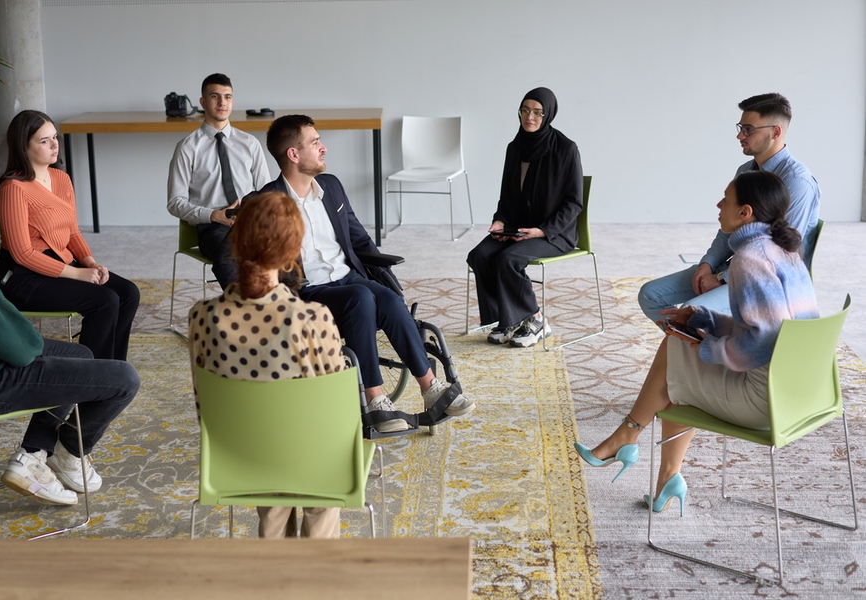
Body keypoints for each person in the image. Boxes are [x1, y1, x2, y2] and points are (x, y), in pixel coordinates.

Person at [575, 170, 818, 513]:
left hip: (767, 402)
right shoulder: (786, 252)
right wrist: (708, 321)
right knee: (678, 370)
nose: (718, 205)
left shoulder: (749, 260)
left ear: (745, 212)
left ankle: (627, 437)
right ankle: (665, 478)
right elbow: (774, 327)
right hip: (802, 392)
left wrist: (710, 347)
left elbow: (760, 342)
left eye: (726, 199)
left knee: (676, 351)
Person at [256, 114, 475, 433]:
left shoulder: (330, 187)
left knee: (386, 297)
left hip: (349, 278)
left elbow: (358, 239)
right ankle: (375, 400)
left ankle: (431, 389)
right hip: (308, 291)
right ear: (293, 154)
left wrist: (381, 270)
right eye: (315, 142)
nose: (323, 148)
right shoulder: (268, 201)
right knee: (361, 297)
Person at [0, 154, 139, 506]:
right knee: (124, 378)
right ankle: (70, 450)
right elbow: (22, 348)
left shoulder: (59, 179)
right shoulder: (14, 189)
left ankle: (32, 456)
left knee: (81, 355)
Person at [188, 191, 345, 538]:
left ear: (235, 243)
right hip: (305, 457)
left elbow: (204, 406)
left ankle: (274, 571)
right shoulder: (311, 318)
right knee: (318, 482)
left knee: (274, 463)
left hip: (238, 456)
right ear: (292, 252)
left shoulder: (202, 316)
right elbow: (338, 415)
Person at [637, 93, 820, 323]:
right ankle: (692, 351)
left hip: (768, 281)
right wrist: (708, 264)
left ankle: (700, 349)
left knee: (692, 313)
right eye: (740, 127)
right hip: (735, 267)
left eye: (748, 129)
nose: (739, 135)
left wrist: (722, 278)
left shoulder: (796, 182)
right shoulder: (746, 171)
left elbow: (778, 253)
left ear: (775, 132)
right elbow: (728, 230)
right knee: (650, 295)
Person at [0, 110, 140, 361]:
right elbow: (23, 254)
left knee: (128, 292)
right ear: (23, 146)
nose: (54, 145)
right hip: (23, 278)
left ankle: (113, 370)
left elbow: (72, 231)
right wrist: (78, 274)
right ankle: (91, 379)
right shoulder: (13, 190)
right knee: (104, 300)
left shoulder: (61, 178)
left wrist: (90, 262)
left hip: (61, 263)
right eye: (44, 141)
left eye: (55, 137)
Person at [466, 87, 583, 348]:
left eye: (538, 112)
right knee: (480, 255)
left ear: (548, 114)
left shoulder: (566, 149)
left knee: (508, 259)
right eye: (525, 110)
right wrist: (499, 221)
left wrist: (542, 231)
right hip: (517, 227)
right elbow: (507, 196)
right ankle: (508, 319)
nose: (530, 117)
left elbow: (574, 203)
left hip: (554, 233)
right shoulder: (514, 148)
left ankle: (536, 319)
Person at [167, 73, 271, 289]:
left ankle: (285, 299)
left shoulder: (250, 144)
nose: (222, 102)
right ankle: (246, 309)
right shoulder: (187, 148)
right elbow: (175, 202)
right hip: (212, 226)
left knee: (289, 238)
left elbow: (266, 193)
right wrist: (214, 215)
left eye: (228, 97)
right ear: (203, 102)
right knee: (236, 253)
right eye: (215, 96)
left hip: (250, 220)